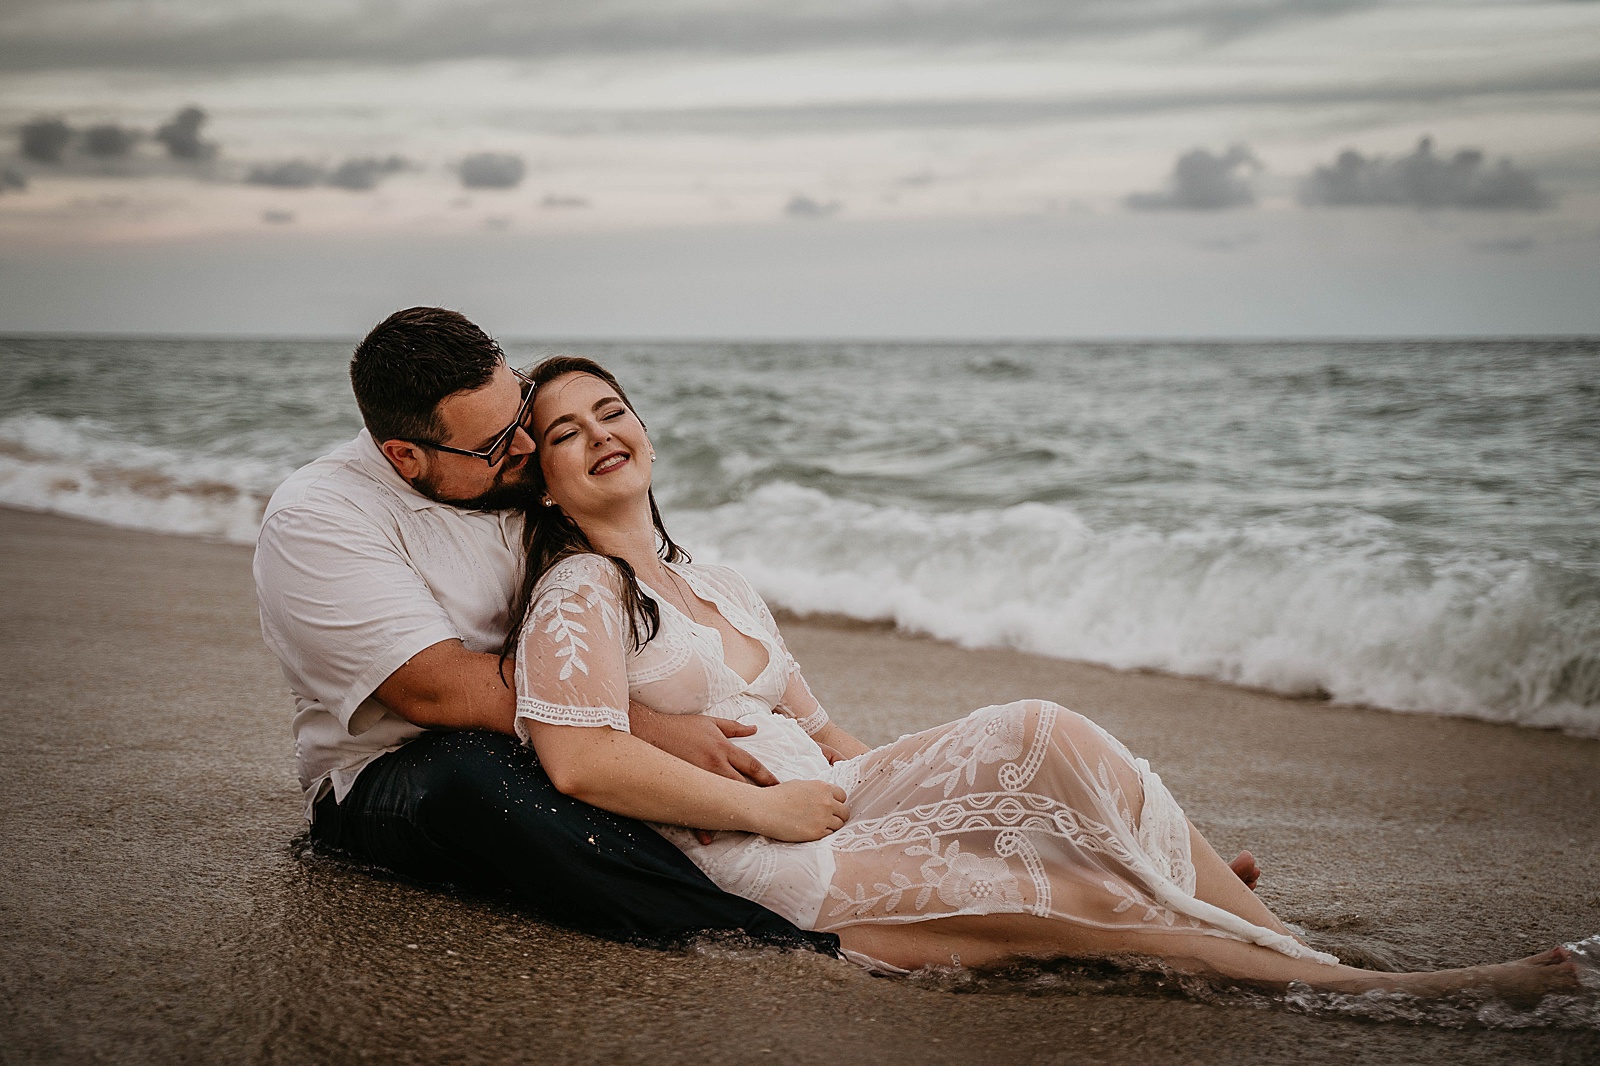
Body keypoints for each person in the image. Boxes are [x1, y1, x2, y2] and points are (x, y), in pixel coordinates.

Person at [506, 353, 1587, 998]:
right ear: (545, 483)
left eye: (611, 410)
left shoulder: (719, 578)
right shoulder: (580, 590)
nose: (600, 434)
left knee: (1041, 729)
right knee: (1055, 889)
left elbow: (832, 739)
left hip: (830, 796)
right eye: (565, 432)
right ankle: (1378, 989)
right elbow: (582, 758)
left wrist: (938, 794)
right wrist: (776, 809)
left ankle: (1245, 918)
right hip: (758, 852)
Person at [253, 306, 837, 950]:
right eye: (499, 443)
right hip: (398, 770)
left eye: (522, 412)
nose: (527, 447)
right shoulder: (320, 518)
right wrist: (655, 732)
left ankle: (796, 870)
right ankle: (740, 929)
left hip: (559, 730)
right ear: (405, 456)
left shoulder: (508, 474)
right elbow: (437, 692)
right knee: (475, 775)